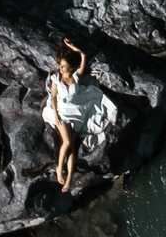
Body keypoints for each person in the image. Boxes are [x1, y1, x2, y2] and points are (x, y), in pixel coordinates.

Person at [41, 37, 113, 193]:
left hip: (77, 114)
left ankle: (68, 180)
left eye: (65, 66)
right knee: (66, 142)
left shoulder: (75, 77)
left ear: (71, 68)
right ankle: (60, 169)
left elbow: (83, 57)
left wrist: (74, 48)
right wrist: (56, 114)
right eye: (60, 66)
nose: (61, 69)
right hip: (62, 113)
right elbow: (53, 97)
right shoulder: (55, 78)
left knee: (71, 146)